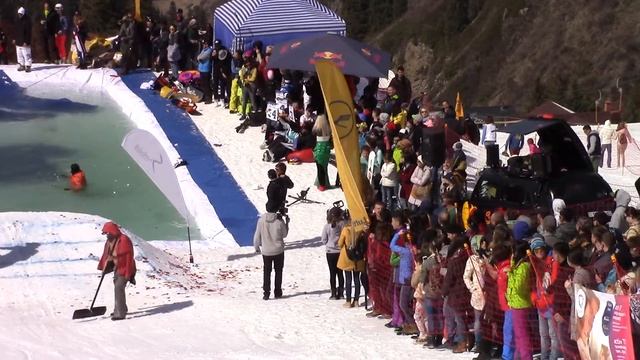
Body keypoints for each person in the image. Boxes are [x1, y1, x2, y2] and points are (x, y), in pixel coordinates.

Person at [97, 222, 136, 321]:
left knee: (118, 287)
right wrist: (104, 267)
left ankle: (120, 313)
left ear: (112, 231)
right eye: (106, 233)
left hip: (125, 268)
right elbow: (106, 254)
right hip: (117, 267)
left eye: (108, 233)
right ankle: (120, 308)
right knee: (117, 287)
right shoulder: (110, 241)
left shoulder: (124, 240)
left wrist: (128, 274)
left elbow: (128, 258)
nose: (107, 235)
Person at [254, 207, 289, 300]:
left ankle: (266, 293)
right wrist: (287, 223)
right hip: (278, 250)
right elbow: (284, 234)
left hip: (266, 251)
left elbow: (257, 236)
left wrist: (256, 247)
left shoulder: (261, 220)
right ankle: (277, 291)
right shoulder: (279, 221)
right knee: (278, 271)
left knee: (267, 272)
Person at [321, 207, 345, 300]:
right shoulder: (342, 225)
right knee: (340, 273)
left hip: (330, 252)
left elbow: (323, 239)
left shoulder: (327, 226)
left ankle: (333, 293)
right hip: (340, 251)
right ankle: (341, 293)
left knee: (332, 273)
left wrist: (328, 244)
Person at [312, 114, 331, 191]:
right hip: (326, 149)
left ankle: (322, 184)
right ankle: (325, 182)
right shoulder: (328, 128)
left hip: (319, 149)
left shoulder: (316, 129)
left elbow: (313, 138)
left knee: (320, 168)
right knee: (325, 167)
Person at [14, 7, 33, 73]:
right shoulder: (17, 21)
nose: (20, 15)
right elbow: (15, 31)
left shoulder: (27, 21)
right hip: (18, 41)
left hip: (25, 41)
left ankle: (28, 66)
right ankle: (21, 65)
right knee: (19, 54)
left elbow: (28, 32)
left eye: (21, 14)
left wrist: (26, 41)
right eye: (19, 14)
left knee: (26, 54)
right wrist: (14, 39)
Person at [196, 39, 213, 104]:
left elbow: (201, 58)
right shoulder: (203, 50)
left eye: (205, 44)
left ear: (207, 44)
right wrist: (199, 58)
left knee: (206, 85)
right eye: (203, 44)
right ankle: (204, 96)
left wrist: (199, 58)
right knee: (202, 84)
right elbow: (198, 57)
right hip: (201, 69)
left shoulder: (209, 51)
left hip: (206, 69)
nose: (204, 45)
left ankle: (209, 98)